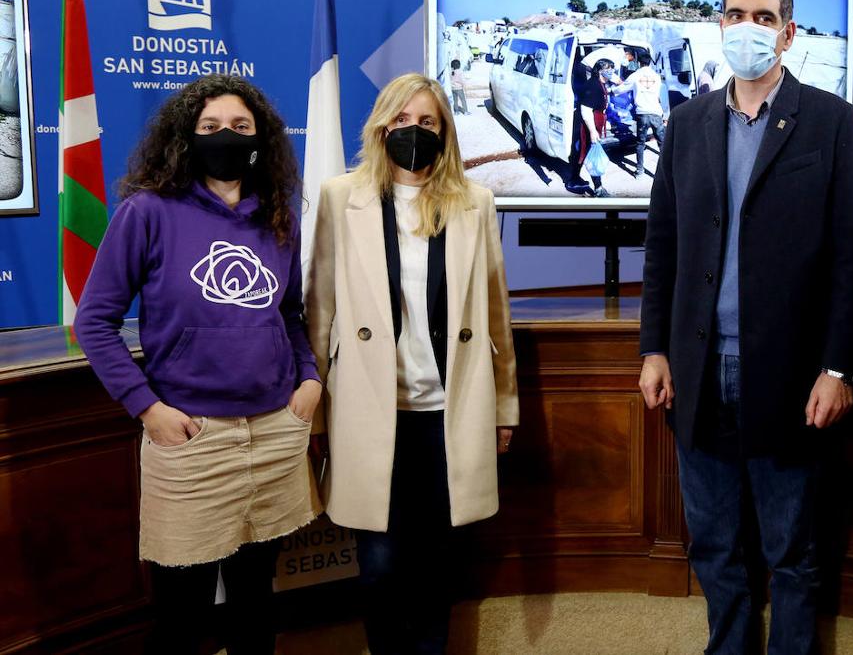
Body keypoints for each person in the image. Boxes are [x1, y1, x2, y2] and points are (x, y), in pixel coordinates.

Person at [639, 0, 853, 654]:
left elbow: (851, 256)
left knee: (792, 552)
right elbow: (664, 246)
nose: (748, 29)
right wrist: (654, 347)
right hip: (698, 372)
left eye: (764, 18)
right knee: (714, 546)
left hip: (792, 375)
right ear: (719, 26)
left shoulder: (832, 123)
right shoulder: (685, 125)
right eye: (736, 15)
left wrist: (840, 367)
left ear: (788, 32)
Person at [74, 74, 321, 655]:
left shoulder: (278, 217)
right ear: (187, 136)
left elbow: (289, 311)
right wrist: (147, 409)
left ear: (260, 139)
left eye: (240, 127)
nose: (225, 137)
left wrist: (309, 376)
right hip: (190, 439)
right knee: (181, 618)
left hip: (273, 432)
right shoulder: (148, 212)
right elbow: (94, 322)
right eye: (210, 127)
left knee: (256, 604)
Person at [305, 72, 518, 655]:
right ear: (381, 126)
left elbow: (494, 316)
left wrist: (504, 408)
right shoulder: (338, 197)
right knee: (378, 564)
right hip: (371, 412)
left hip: (448, 411)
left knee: (436, 563)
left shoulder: (475, 202)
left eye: (426, 122)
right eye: (402, 120)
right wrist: (318, 420)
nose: (413, 132)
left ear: (445, 131)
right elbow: (318, 310)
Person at [611, 50, 665, 178]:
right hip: (656, 112)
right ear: (650, 62)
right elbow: (658, 95)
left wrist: (612, 90)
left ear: (639, 63)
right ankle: (666, 172)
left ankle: (639, 171)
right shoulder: (656, 76)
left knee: (640, 143)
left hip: (642, 113)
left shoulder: (635, 75)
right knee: (662, 143)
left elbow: (622, 88)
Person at [567, 58, 616, 197]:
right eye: (608, 68)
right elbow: (586, 110)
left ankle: (574, 179)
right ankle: (598, 188)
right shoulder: (593, 86)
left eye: (612, 68)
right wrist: (593, 131)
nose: (611, 71)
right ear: (599, 70)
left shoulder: (600, 83)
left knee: (582, 152)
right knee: (590, 153)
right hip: (589, 124)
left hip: (596, 122)